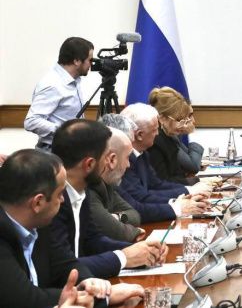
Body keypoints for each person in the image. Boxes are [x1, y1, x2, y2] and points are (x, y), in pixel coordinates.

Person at [0, 149, 144, 308]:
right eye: (59, 194)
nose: (63, 200)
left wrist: (89, 282)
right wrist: (100, 298)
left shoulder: (38, 224)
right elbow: (25, 300)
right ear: (38, 203)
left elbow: (65, 264)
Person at [50, 119, 167, 279]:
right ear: (89, 164)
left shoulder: (81, 189)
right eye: (107, 157)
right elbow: (60, 268)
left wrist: (141, 250)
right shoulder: (53, 202)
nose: (111, 164)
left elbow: (92, 240)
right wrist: (124, 258)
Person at [116, 104, 210, 223]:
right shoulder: (123, 160)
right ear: (139, 135)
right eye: (154, 130)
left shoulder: (142, 153)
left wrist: (184, 195)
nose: (157, 134)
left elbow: (156, 185)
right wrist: (178, 206)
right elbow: (140, 198)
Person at [24, 37, 94, 150]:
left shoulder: (72, 80)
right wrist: (67, 131)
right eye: (90, 60)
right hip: (54, 151)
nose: (92, 64)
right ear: (76, 61)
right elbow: (31, 122)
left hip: (68, 148)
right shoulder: (53, 84)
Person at [87, 126, 143, 242]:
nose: (128, 165)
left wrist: (116, 217)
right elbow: (121, 233)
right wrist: (135, 231)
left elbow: (135, 215)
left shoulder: (106, 184)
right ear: (112, 159)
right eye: (127, 158)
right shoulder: (87, 190)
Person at [147, 86, 203, 184]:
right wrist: (198, 181)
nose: (183, 125)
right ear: (162, 119)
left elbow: (177, 174)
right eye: (179, 120)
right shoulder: (155, 141)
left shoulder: (169, 136)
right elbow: (163, 181)